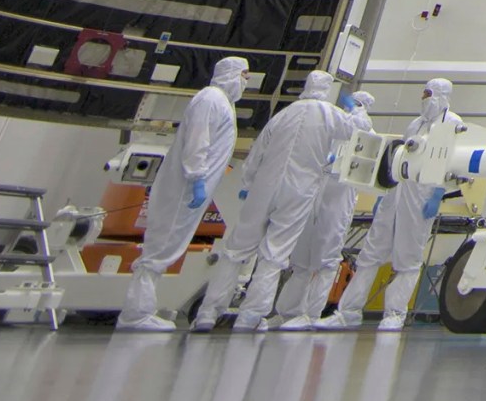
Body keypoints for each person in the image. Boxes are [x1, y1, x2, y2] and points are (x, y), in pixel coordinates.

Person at [195, 70, 352, 331]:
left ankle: (208, 314)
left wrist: (247, 183)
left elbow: (258, 150)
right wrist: (353, 110)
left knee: (236, 250)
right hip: (298, 192)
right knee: (274, 253)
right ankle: (250, 317)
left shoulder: (285, 114)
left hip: (263, 187)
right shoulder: (329, 113)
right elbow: (356, 132)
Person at [117, 56, 248, 331]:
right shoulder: (211, 99)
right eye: (243, 76)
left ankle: (142, 310)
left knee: (167, 245)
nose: (245, 83)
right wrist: (198, 177)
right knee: (161, 246)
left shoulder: (222, 102)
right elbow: (197, 142)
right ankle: (135, 314)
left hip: (190, 188)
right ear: (230, 74)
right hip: (184, 187)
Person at [327, 78, 460, 331]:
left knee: (408, 256)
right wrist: (383, 193)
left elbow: (451, 162)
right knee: (371, 251)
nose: (424, 98)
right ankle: (348, 311)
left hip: (422, 196)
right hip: (397, 192)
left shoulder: (452, 123)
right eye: (423, 93)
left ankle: (395, 313)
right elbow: (400, 158)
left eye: (429, 93)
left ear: (443, 95)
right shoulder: (415, 124)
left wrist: (438, 194)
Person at [278, 90, 373, 329]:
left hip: (339, 198)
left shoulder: (366, 133)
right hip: (317, 191)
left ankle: (310, 314)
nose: (352, 108)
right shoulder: (335, 127)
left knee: (326, 257)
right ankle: (288, 312)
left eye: (358, 105)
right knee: (301, 256)